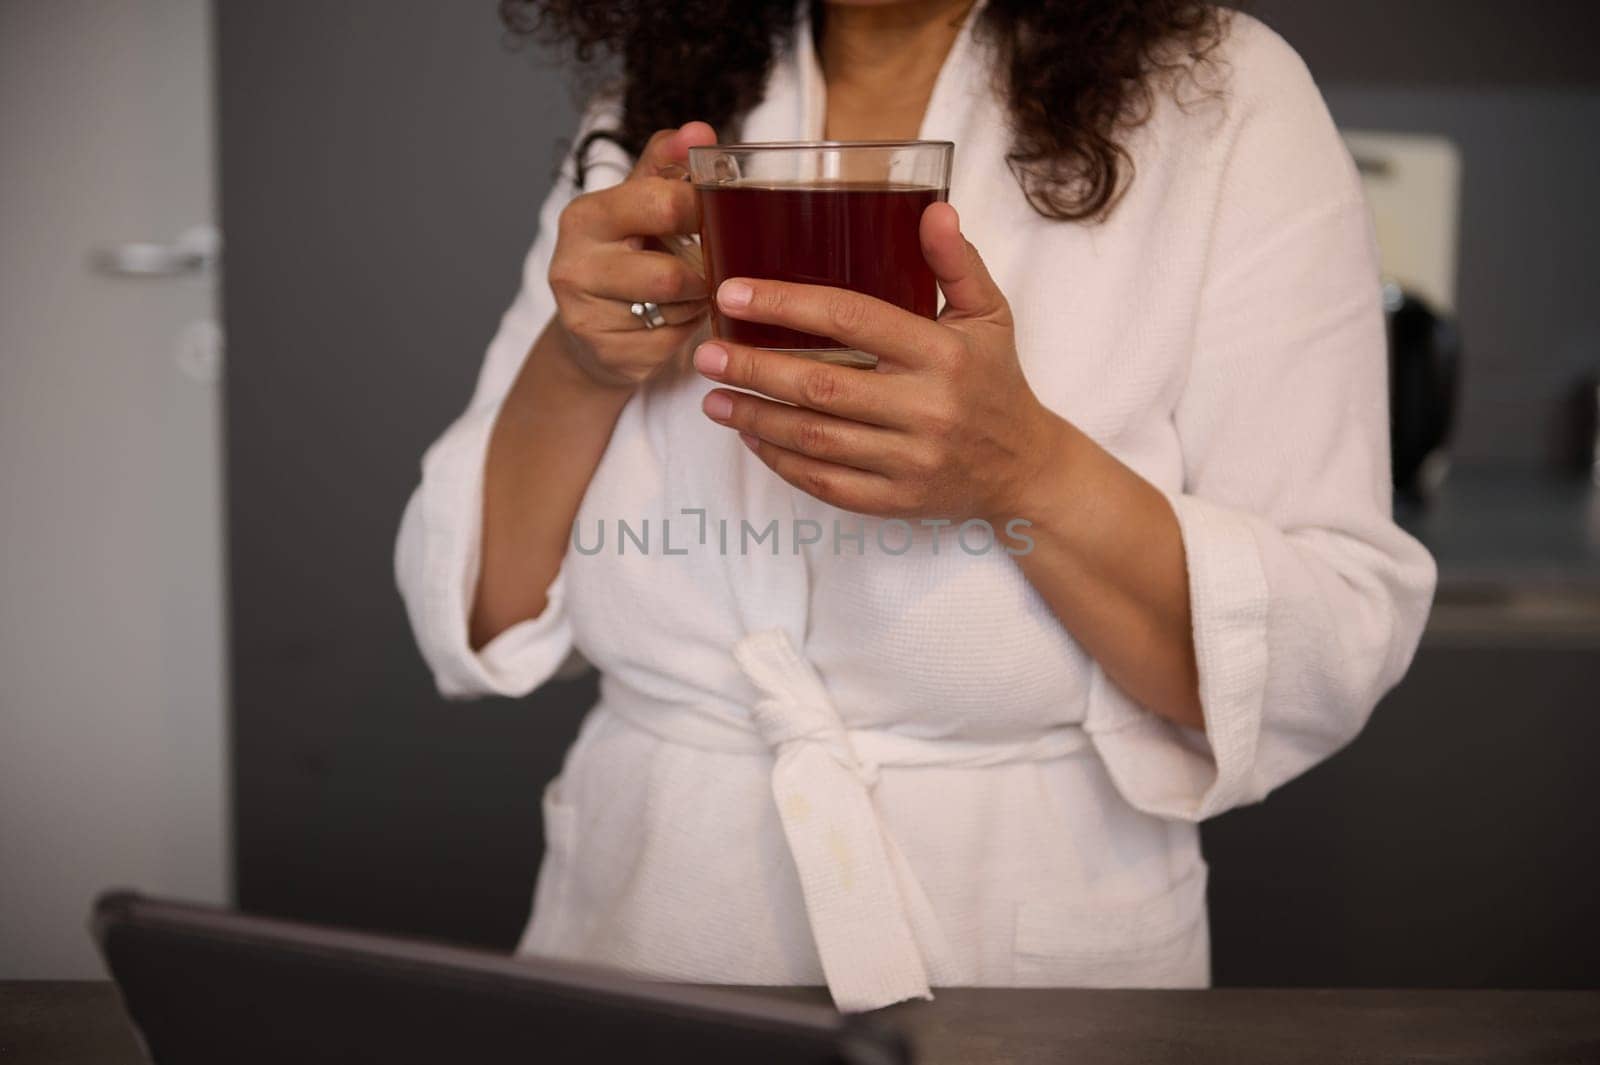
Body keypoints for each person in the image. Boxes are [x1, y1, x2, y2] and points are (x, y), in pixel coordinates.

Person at [395, 0, 1436, 1012]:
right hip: (646, 923)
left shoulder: (1221, 89)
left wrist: (1022, 467)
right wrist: (579, 362)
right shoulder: (660, 105)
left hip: (1022, 958)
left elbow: (1322, 645)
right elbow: (478, 614)